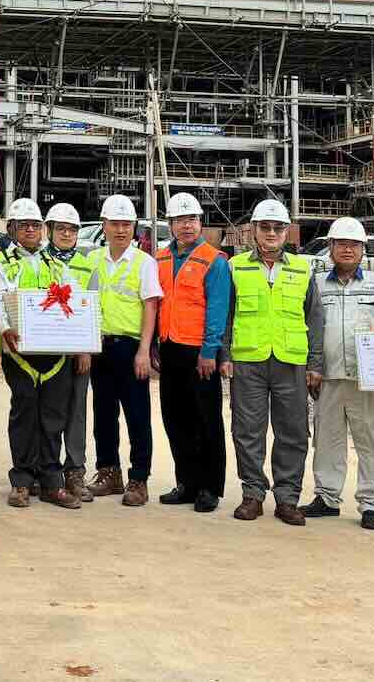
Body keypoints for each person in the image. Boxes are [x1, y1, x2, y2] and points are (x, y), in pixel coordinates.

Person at [225, 198, 323, 526]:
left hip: (290, 361)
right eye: (264, 227)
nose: (270, 233)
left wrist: (314, 363)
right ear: (253, 230)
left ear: (287, 232)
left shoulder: (302, 268)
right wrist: (224, 355)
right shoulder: (235, 267)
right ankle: (252, 493)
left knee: (293, 432)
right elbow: (225, 315)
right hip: (248, 360)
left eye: (277, 228)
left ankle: (287, 497)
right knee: (247, 430)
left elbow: (315, 318)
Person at [0, 198, 88, 509]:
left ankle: (50, 481)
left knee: (52, 418)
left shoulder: (58, 266)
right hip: (18, 353)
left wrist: (81, 343)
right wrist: (4, 329)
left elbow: (76, 303)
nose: (30, 229)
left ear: (43, 229)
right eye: (23, 225)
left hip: (54, 355)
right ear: (12, 228)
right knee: (23, 415)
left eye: (35, 225)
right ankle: (21, 481)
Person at [300, 217, 374, 530]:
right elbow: (308, 329)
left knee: (371, 440)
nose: (347, 249)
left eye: (353, 244)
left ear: (363, 250)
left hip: (365, 379)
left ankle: (371, 504)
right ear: (329, 247)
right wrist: (311, 366)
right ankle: (327, 497)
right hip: (327, 376)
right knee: (327, 439)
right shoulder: (315, 284)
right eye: (340, 243)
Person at [153, 192, 231, 514]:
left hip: (200, 353)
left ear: (200, 222)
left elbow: (218, 309)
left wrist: (210, 351)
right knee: (176, 418)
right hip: (170, 349)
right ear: (170, 224)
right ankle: (186, 482)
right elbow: (156, 305)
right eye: (181, 220)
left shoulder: (215, 260)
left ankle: (209, 487)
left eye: (193, 220)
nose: (187, 225)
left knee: (206, 420)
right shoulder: (159, 259)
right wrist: (156, 345)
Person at [83, 195, 163, 508]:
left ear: (134, 228)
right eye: (114, 224)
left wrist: (144, 351)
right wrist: (85, 347)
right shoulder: (92, 261)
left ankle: (139, 478)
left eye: (126, 224)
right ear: (103, 226)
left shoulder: (144, 263)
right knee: (103, 414)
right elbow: (83, 305)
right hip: (99, 346)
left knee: (137, 415)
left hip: (131, 348)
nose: (120, 230)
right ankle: (109, 472)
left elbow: (151, 306)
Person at [42, 202, 93, 502]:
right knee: (47, 414)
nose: (66, 234)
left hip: (77, 353)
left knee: (76, 413)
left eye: (71, 229)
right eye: (60, 228)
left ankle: (75, 471)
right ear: (50, 230)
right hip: (47, 351)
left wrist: (86, 349)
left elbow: (92, 309)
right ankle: (46, 471)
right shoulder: (38, 261)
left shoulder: (86, 265)